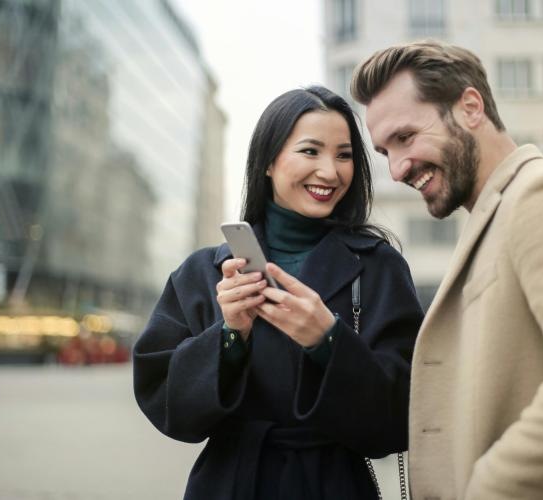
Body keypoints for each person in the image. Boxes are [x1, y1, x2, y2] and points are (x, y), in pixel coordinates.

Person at [351, 41, 543, 500]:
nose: (396, 169)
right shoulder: (494, 214)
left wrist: (494, 487)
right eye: (385, 152)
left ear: (470, 107)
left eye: (406, 137)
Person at [133, 85, 423, 499]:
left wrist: (328, 339)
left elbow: (404, 411)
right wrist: (230, 334)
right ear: (268, 162)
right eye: (310, 151)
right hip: (231, 484)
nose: (330, 171)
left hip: (336, 486)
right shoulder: (203, 272)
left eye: (344, 155)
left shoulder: (378, 266)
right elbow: (167, 406)